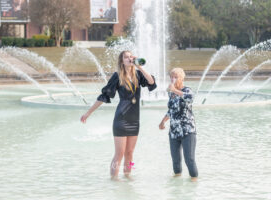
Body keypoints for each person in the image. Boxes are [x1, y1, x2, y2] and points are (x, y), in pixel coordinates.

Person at [81, 51, 156, 180]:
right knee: (119, 153)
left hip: (134, 120)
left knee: (130, 153)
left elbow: (151, 82)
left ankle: (128, 174)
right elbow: (104, 96)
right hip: (121, 119)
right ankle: (114, 179)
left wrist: (139, 66)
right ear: (122, 61)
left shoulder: (138, 74)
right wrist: (88, 113)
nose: (129, 59)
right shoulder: (117, 76)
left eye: (131, 56)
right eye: (126, 57)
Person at [159, 68, 198, 181]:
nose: (173, 79)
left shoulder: (187, 90)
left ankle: (194, 183)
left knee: (189, 159)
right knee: (175, 160)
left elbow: (190, 98)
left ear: (182, 78)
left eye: (176, 77)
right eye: (171, 77)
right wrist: (162, 121)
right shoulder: (171, 94)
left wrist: (175, 90)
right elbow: (171, 110)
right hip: (174, 131)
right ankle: (176, 184)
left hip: (187, 131)